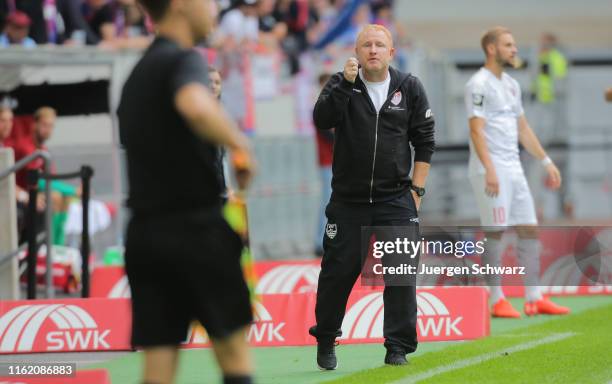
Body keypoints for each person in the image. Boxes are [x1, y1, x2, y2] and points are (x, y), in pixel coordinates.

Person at [117, 0, 255, 383]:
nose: (215, 10)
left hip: (144, 234)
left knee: (158, 367)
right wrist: (241, 144)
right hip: (196, 230)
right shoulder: (185, 61)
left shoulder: (136, 76)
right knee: (234, 353)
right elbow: (195, 106)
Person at [309, 24, 435, 369]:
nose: (373, 50)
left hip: (395, 199)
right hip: (348, 201)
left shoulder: (409, 87)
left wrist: (417, 190)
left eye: (380, 44)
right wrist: (345, 86)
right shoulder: (341, 83)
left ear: (391, 52)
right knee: (338, 272)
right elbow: (322, 119)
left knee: (400, 273)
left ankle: (397, 347)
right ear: (357, 52)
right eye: (367, 45)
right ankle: (325, 338)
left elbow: (424, 141)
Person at [465, 26, 570, 318]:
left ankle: (534, 296)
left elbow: (523, 128)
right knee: (495, 232)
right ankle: (496, 298)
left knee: (529, 228)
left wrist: (546, 160)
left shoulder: (511, 84)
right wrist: (489, 169)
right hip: (491, 168)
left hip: (514, 166)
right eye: (508, 45)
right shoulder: (478, 84)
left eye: (514, 45)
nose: (514, 50)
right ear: (491, 48)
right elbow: (476, 130)